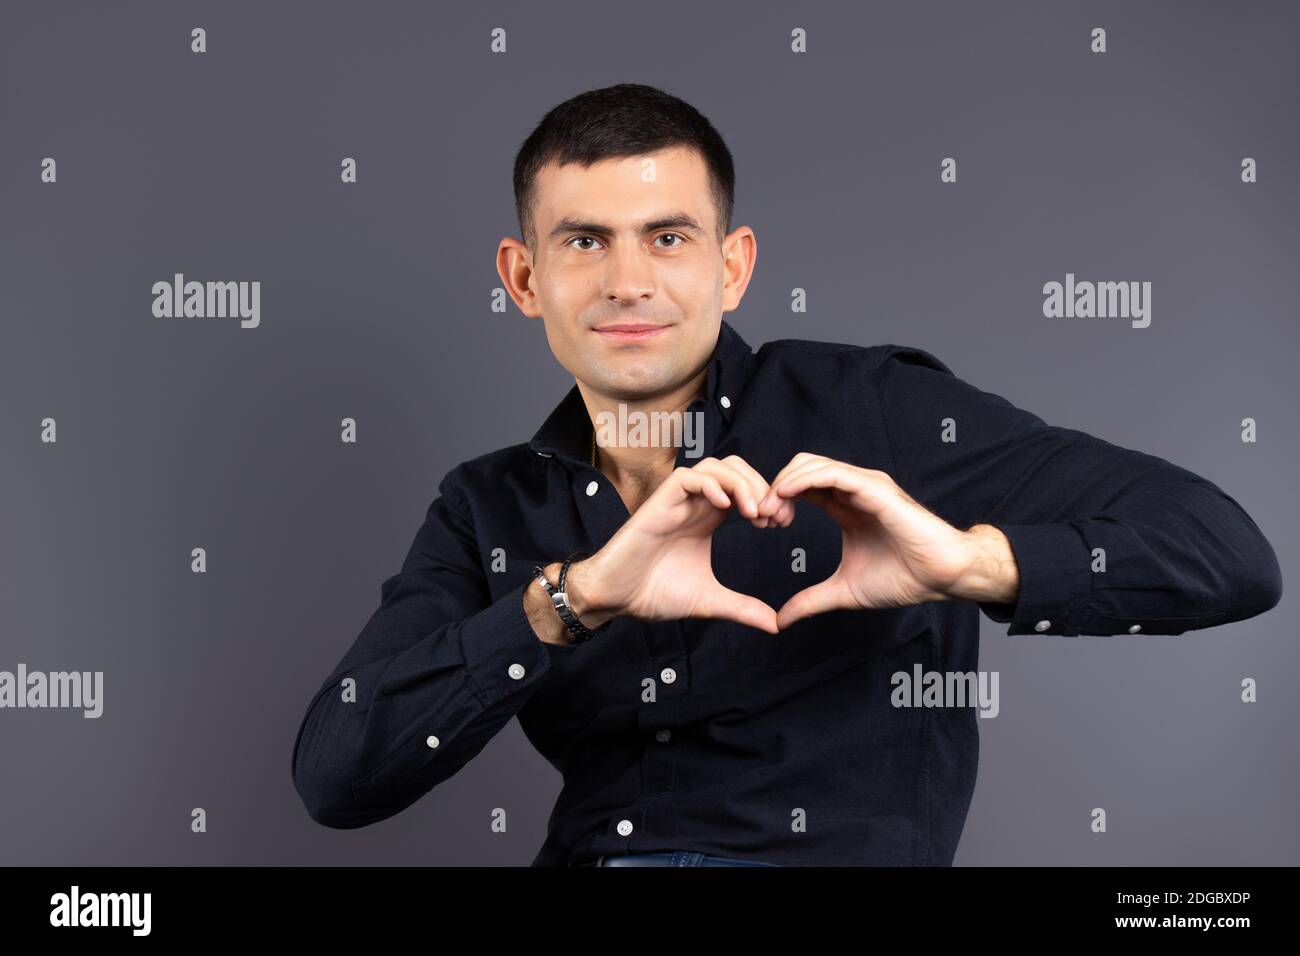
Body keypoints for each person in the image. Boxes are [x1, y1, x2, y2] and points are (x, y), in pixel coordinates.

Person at [290, 83, 1283, 867]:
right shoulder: (488, 506)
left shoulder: (872, 410)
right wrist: (568, 599)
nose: (628, 280)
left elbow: (1229, 552)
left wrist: (972, 562)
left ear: (732, 267)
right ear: (523, 277)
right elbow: (337, 775)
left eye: (667, 237)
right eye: (583, 241)